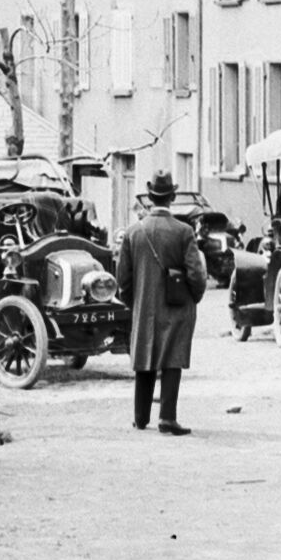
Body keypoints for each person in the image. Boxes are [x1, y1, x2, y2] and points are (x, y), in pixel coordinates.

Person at [119, 170, 206, 436]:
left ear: (150, 196)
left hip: (144, 304)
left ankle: (140, 416)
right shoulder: (184, 231)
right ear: (172, 197)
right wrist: (195, 296)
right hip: (177, 303)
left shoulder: (133, 232)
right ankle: (167, 417)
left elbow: (123, 278)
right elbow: (196, 274)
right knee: (173, 357)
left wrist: (134, 301)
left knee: (145, 353)